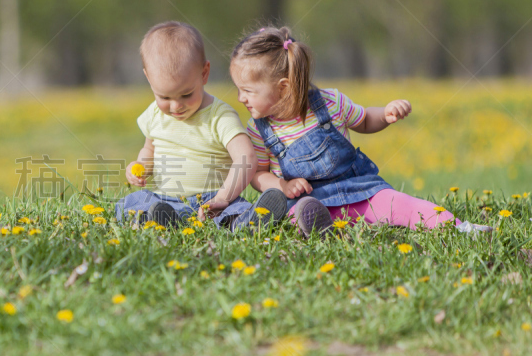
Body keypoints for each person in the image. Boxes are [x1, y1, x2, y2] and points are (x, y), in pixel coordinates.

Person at [230, 25, 459, 235]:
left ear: (283, 88)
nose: (241, 98)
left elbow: (366, 120)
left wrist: (386, 114)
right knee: (295, 216)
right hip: (307, 201)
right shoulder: (259, 129)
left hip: (359, 192)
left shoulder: (330, 102)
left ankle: (460, 227)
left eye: (248, 91)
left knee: (402, 204)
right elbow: (259, 175)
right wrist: (283, 185)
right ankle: (321, 229)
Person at [115, 21, 288, 230]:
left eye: (186, 94)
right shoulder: (154, 113)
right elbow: (149, 149)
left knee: (233, 210)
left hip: (212, 199)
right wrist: (140, 167)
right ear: (148, 78)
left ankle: (247, 222)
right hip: (165, 199)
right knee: (130, 203)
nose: (176, 106)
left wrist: (223, 197)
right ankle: (162, 219)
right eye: (164, 96)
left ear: (204, 73)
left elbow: (246, 158)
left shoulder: (219, 115)